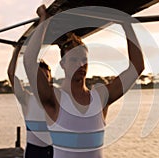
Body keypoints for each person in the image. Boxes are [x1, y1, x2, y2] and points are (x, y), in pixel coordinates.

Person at [24, 4, 144, 158]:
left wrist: (126, 24)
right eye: (73, 59)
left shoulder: (100, 97)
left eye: (84, 60)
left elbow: (137, 67)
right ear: (63, 64)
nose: (80, 65)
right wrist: (44, 21)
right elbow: (29, 61)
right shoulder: (54, 98)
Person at [7, 44, 53, 158]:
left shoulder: (56, 99)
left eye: (46, 76)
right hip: (34, 152)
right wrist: (17, 50)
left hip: (53, 150)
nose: (42, 80)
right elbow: (11, 75)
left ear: (50, 78)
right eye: (39, 77)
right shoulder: (27, 99)